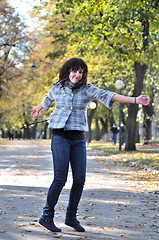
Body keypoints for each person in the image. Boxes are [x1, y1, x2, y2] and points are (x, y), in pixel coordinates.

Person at [31, 58, 149, 233]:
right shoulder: (58, 87)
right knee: (60, 178)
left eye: (81, 72)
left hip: (78, 138)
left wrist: (135, 100)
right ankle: (46, 216)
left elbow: (108, 95)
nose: (77, 75)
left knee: (80, 179)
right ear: (68, 71)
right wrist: (39, 108)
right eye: (75, 71)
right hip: (60, 136)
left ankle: (71, 217)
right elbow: (47, 99)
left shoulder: (87, 89)